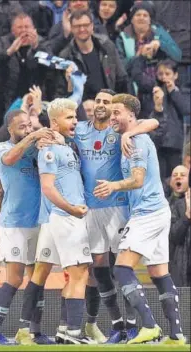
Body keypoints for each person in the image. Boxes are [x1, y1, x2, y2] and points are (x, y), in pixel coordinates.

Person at [93, 94, 186, 345]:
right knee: (159, 273)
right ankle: (176, 335)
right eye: (111, 112)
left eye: (117, 112)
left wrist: (113, 186)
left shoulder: (136, 141)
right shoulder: (133, 136)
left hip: (147, 212)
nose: (112, 116)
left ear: (131, 116)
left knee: (122, 268)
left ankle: (149, 325)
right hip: (157, 211)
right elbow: (151, 122)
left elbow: (137, 180)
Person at [71, 88, 160, 343]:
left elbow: (154, 121)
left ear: (115, 107)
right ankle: (117, 325)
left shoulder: (119, 129)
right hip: (90, 207)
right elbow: (58, 130)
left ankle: (133, 325)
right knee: (98, 268)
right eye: (98, 100)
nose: (101, 104)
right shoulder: (80, 129)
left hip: (118, 205)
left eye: (107, 102)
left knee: (123, 267)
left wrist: (131, 132)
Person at [16, 98, 93, 345]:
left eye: (75, 116)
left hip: (56, 218)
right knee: (79, 273)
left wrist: (65, 140)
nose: (75, 121)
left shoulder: (61, 145)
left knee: (43, 271)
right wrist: (72, 209)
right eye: (69, 117)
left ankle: (47, 330)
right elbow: (48, 188)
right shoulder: (48, 149)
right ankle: (72, 333)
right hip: (66, 217)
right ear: (54, 121)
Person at [0, 110, 55, 345]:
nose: (27, 129)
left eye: (29, 125)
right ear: (11, 129)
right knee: (14, 279)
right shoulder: (2, 147)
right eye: (22, 126)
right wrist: (32, 137)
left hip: (39, 221)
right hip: (14, 223)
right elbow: (11, 159)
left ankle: (35, 331)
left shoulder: (36, 147)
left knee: (38, 279)